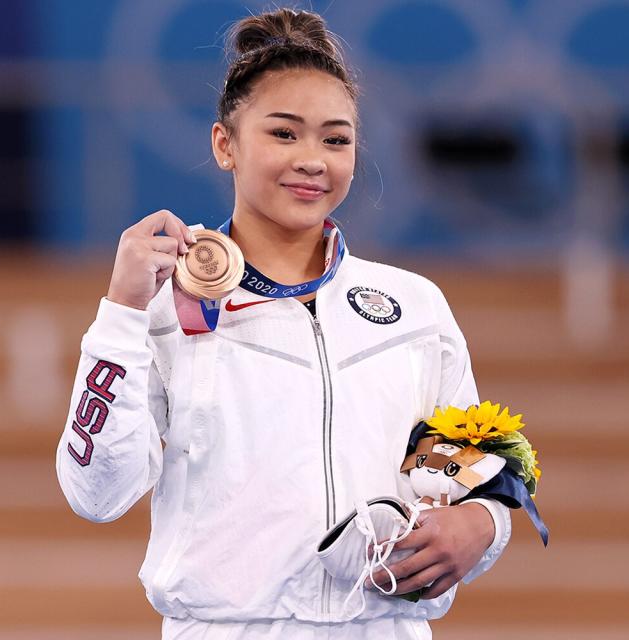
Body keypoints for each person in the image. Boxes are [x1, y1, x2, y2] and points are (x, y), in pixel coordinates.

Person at [56, 8, 511, 639]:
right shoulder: (159, 308)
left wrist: (486, 525)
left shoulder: (413, 308)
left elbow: (467, 468)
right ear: (225, 145)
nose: (313, 160)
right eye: (284, 133)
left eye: (335, 139)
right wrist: (121, 311)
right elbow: (96, 493)